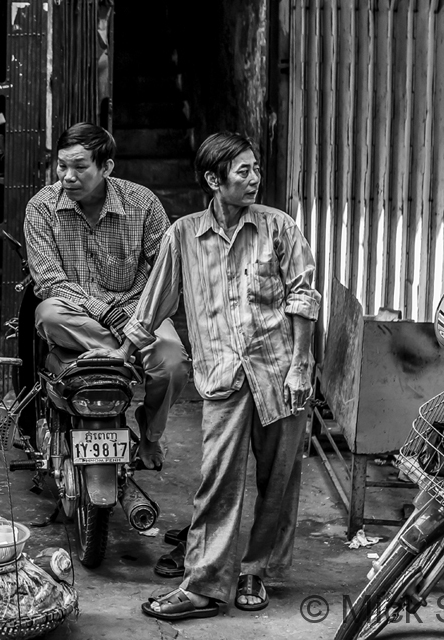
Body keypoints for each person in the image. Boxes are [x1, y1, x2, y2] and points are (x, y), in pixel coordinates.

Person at [83, 132, 321, 619]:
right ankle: (206, 584)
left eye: (256, 169)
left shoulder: (279, 227)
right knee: (217, 482)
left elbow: (303, 297)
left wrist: (301, 364)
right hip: (224, 378)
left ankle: (256, 571)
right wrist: (124, 353)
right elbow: (154, 303)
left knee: (279, 481)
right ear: (214, 180)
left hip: (280, 374)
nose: (254, 178)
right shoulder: (184, 235)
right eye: (243, 171)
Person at [23, 122, 190, 467]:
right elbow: (50, 281)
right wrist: (109, 318)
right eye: (62, 166)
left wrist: (135, 322)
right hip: (75, 313)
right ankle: (124, 356)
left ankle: (149, 435)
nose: (68, 176)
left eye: (80, 167)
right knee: (47, 314)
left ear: (106, 167)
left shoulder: (142, 203)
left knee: (173, 365)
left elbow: (165, 275)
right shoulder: (41, 208)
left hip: (139, 314)